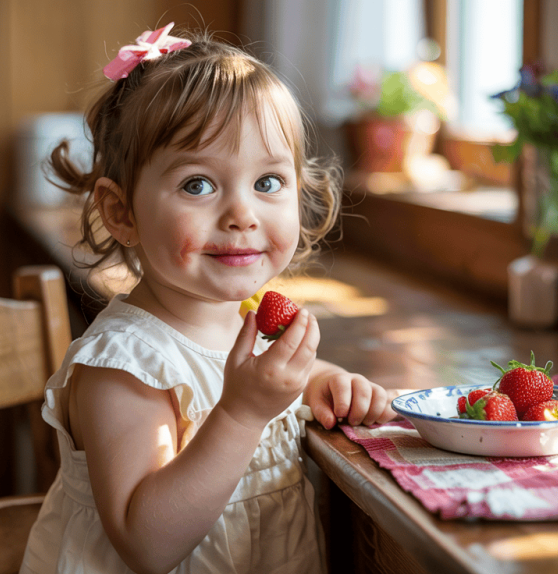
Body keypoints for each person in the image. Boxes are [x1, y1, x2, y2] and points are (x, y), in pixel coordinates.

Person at [19, 23, 397, 574]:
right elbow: (146, 544)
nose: (242, 214)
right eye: (198, 185)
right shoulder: (123, 366)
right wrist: (242, 414)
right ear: (122, 212)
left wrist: (324, 383)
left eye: (268, 183)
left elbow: (267, 385)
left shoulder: (240, 319)